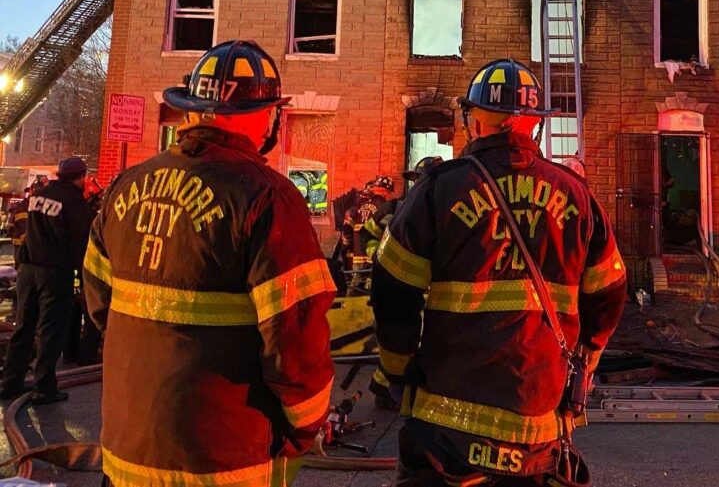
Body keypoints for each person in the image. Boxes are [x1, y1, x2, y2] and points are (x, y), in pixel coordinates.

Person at [82, 40, 336, 487]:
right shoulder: (267, 197)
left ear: (193, 110)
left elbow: (101, 306)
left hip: (125, 454)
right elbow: (296, 340)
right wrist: (304, 426)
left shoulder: (125, 186)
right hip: (222, 461)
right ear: (264, 114)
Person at [372, 58, 627, 486]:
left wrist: (397, 370)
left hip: (446, 429)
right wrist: (583, 364)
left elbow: (392, 292)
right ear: (535, 125)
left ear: (474, 121)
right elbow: (609, 294)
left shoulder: (439, 188)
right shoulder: (577, 195)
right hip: (539, 430)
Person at [1, 157, 94, 404]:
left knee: (24, 327)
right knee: (50, 331)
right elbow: (80, 242)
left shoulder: (39, 195)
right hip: (54, 273)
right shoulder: (73, 201)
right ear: (80, 177)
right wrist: (84, 277)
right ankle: (44, 388)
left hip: (27, 269)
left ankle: (11, 383)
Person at [365, 155, 444, 410]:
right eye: (417, 180)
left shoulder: (441, 210)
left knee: (405, 339)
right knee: (399, 337)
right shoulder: (393, 209)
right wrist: (376, 256)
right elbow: (366, 235)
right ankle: (390, 386)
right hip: (392, 283)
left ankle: (385, 385)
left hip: (419, 286)